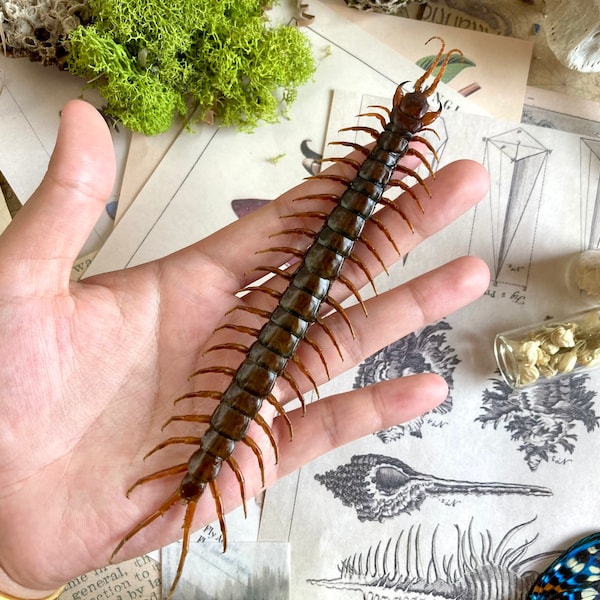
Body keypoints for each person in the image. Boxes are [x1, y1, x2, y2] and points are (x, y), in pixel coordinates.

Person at [0, 100, 490, 600]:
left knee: (305, 303)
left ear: (393, 128)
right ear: (409, 136)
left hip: (241, 396)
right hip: (230, 412)